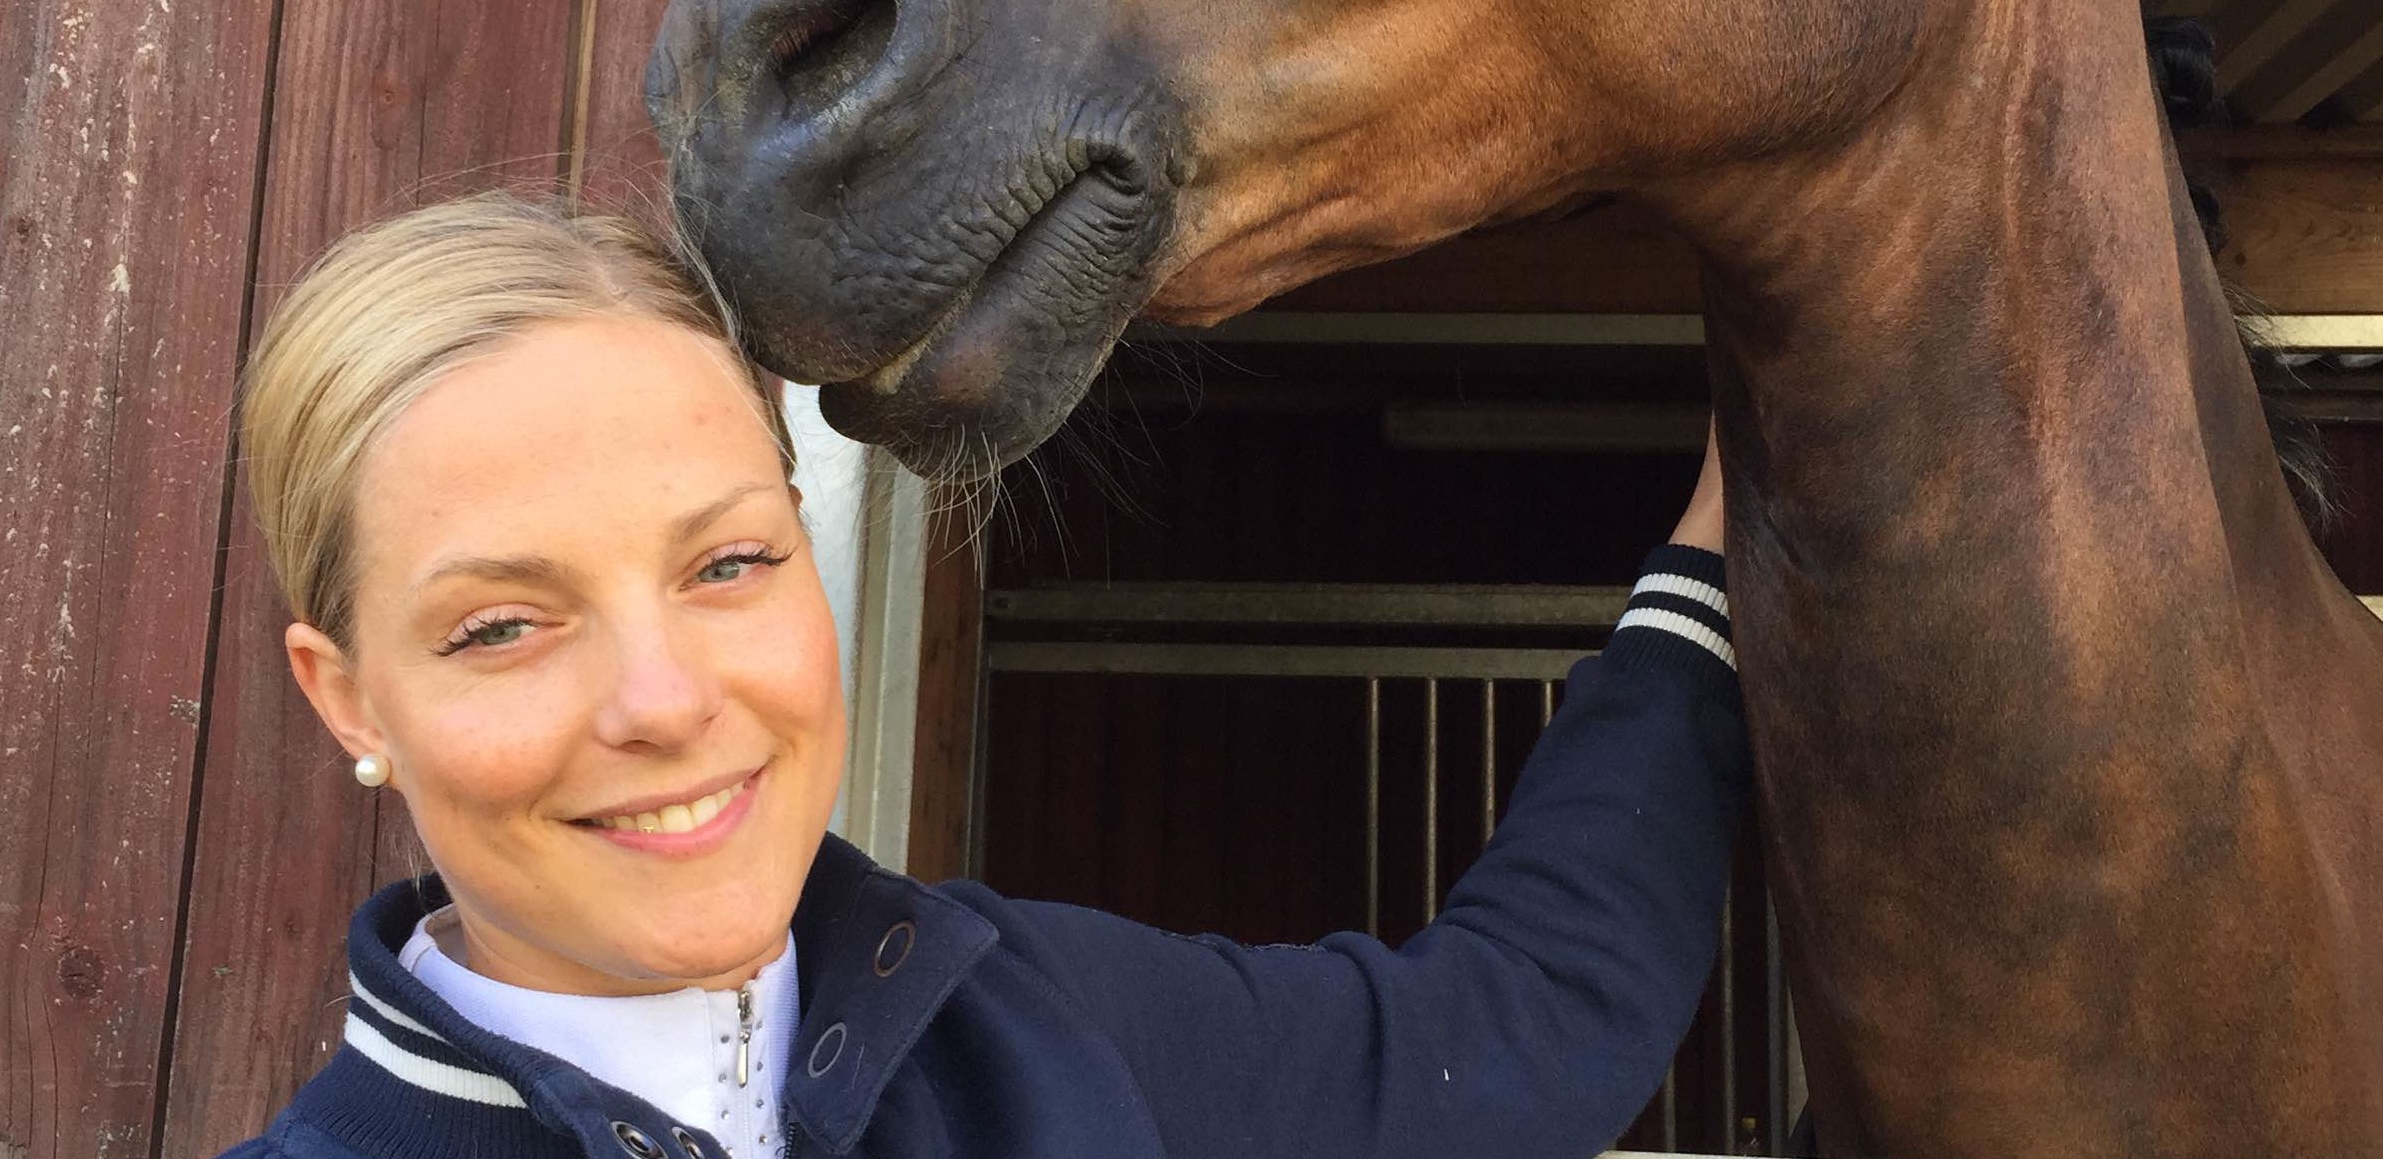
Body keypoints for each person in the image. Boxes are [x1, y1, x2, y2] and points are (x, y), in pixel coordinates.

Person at [225, 190, 1747, 1159]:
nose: (666, 698)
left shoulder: (1035, 1018)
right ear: (348, 692)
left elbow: (1514, 1031)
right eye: (504, 623)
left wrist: (1722, 552)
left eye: (728, 563)